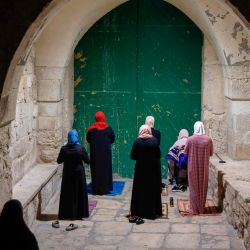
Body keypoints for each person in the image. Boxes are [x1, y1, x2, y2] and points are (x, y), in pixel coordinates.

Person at [56, 130, 90, 230]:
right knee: (79, 192)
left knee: (68, 192)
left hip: (68, 174)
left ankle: (67, 213)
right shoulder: (80, 148)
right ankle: (79, 214)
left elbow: (59, 161)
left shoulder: (64, 149)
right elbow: (87, 161)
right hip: (78, 174)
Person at [129, 124, 162, 224]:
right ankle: (151, 212)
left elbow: (133, 156)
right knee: (151, 190)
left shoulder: (137, 142)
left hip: (140, 171)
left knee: (140, 190)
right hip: (152, 170)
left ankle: (139, 212)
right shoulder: (154, 141)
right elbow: (158, 155)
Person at [184, 121, 213, 215]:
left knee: (193, 186)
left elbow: (185, 152)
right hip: (204, 167)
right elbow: (211, 153)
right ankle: (201, 208)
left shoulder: (190, 139)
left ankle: (194, 208)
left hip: (193, 166)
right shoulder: (208, 140)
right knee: (203, 186)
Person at [87, 111, 115, 195]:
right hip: (106, 154)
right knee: (105, 170)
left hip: (95, 154)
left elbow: (88, 139)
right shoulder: (109, 129)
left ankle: (96, 189)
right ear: (103, 118)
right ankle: (106, 189)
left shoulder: (91, 129)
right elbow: (112, 139)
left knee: (96, 170)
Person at [145, 116, 164, 190]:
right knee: (155, 172)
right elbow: (158, 143)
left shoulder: (142, 132)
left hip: (145, 155)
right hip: (155, 154)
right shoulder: (157, 133)